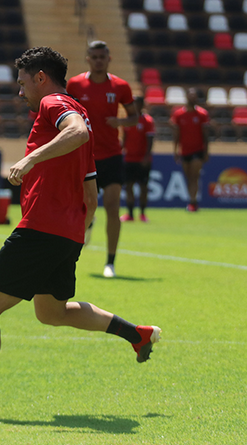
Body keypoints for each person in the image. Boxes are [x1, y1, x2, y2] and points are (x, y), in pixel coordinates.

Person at [0, 47, 161, 418]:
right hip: (66, 232)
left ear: (40, 78)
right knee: (51, 312)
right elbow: (90, 190)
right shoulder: (74, 108)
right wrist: (78, 234)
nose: (20, 93)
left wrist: (30, 158)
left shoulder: (54, 104)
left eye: (22, 84)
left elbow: (78, 132)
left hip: (41, 228)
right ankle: (137, 334)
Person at [67, 40, 138, 278]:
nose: (98, 60)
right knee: (81, 206)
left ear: (109, 59)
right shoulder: (75, 84)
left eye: (102, 56)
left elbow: (134, 117)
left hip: (112, 155)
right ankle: (73, 249)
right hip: (84, 154)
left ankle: (110, 262)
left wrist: (120, 122)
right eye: (94, 56)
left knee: (112, 206)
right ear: (88, 58)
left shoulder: (120, 86)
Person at [169, 87, 210, 212]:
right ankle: (192, 200)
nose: (192, 98)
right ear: (186, 97)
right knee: (188, 177)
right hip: (184, 150)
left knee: (194, 176)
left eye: (194, 96)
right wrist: (175, 150)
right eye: (190, 95)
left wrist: (206, 151)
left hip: (197, 150)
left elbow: (205, 135)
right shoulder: (179, 114)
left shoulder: (202, 114)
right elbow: (177, 134)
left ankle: (193, 202)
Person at [120, 96, 155, 222]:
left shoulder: (147, 121)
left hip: (142, 160)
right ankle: (130, 214)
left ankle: (143, 213)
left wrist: (146, 156)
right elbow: (125, 139)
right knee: (128, 186)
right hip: (129, 159)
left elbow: (150, 140)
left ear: (142, 105)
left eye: (137, 104)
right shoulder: (127, 121)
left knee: (143, 187)